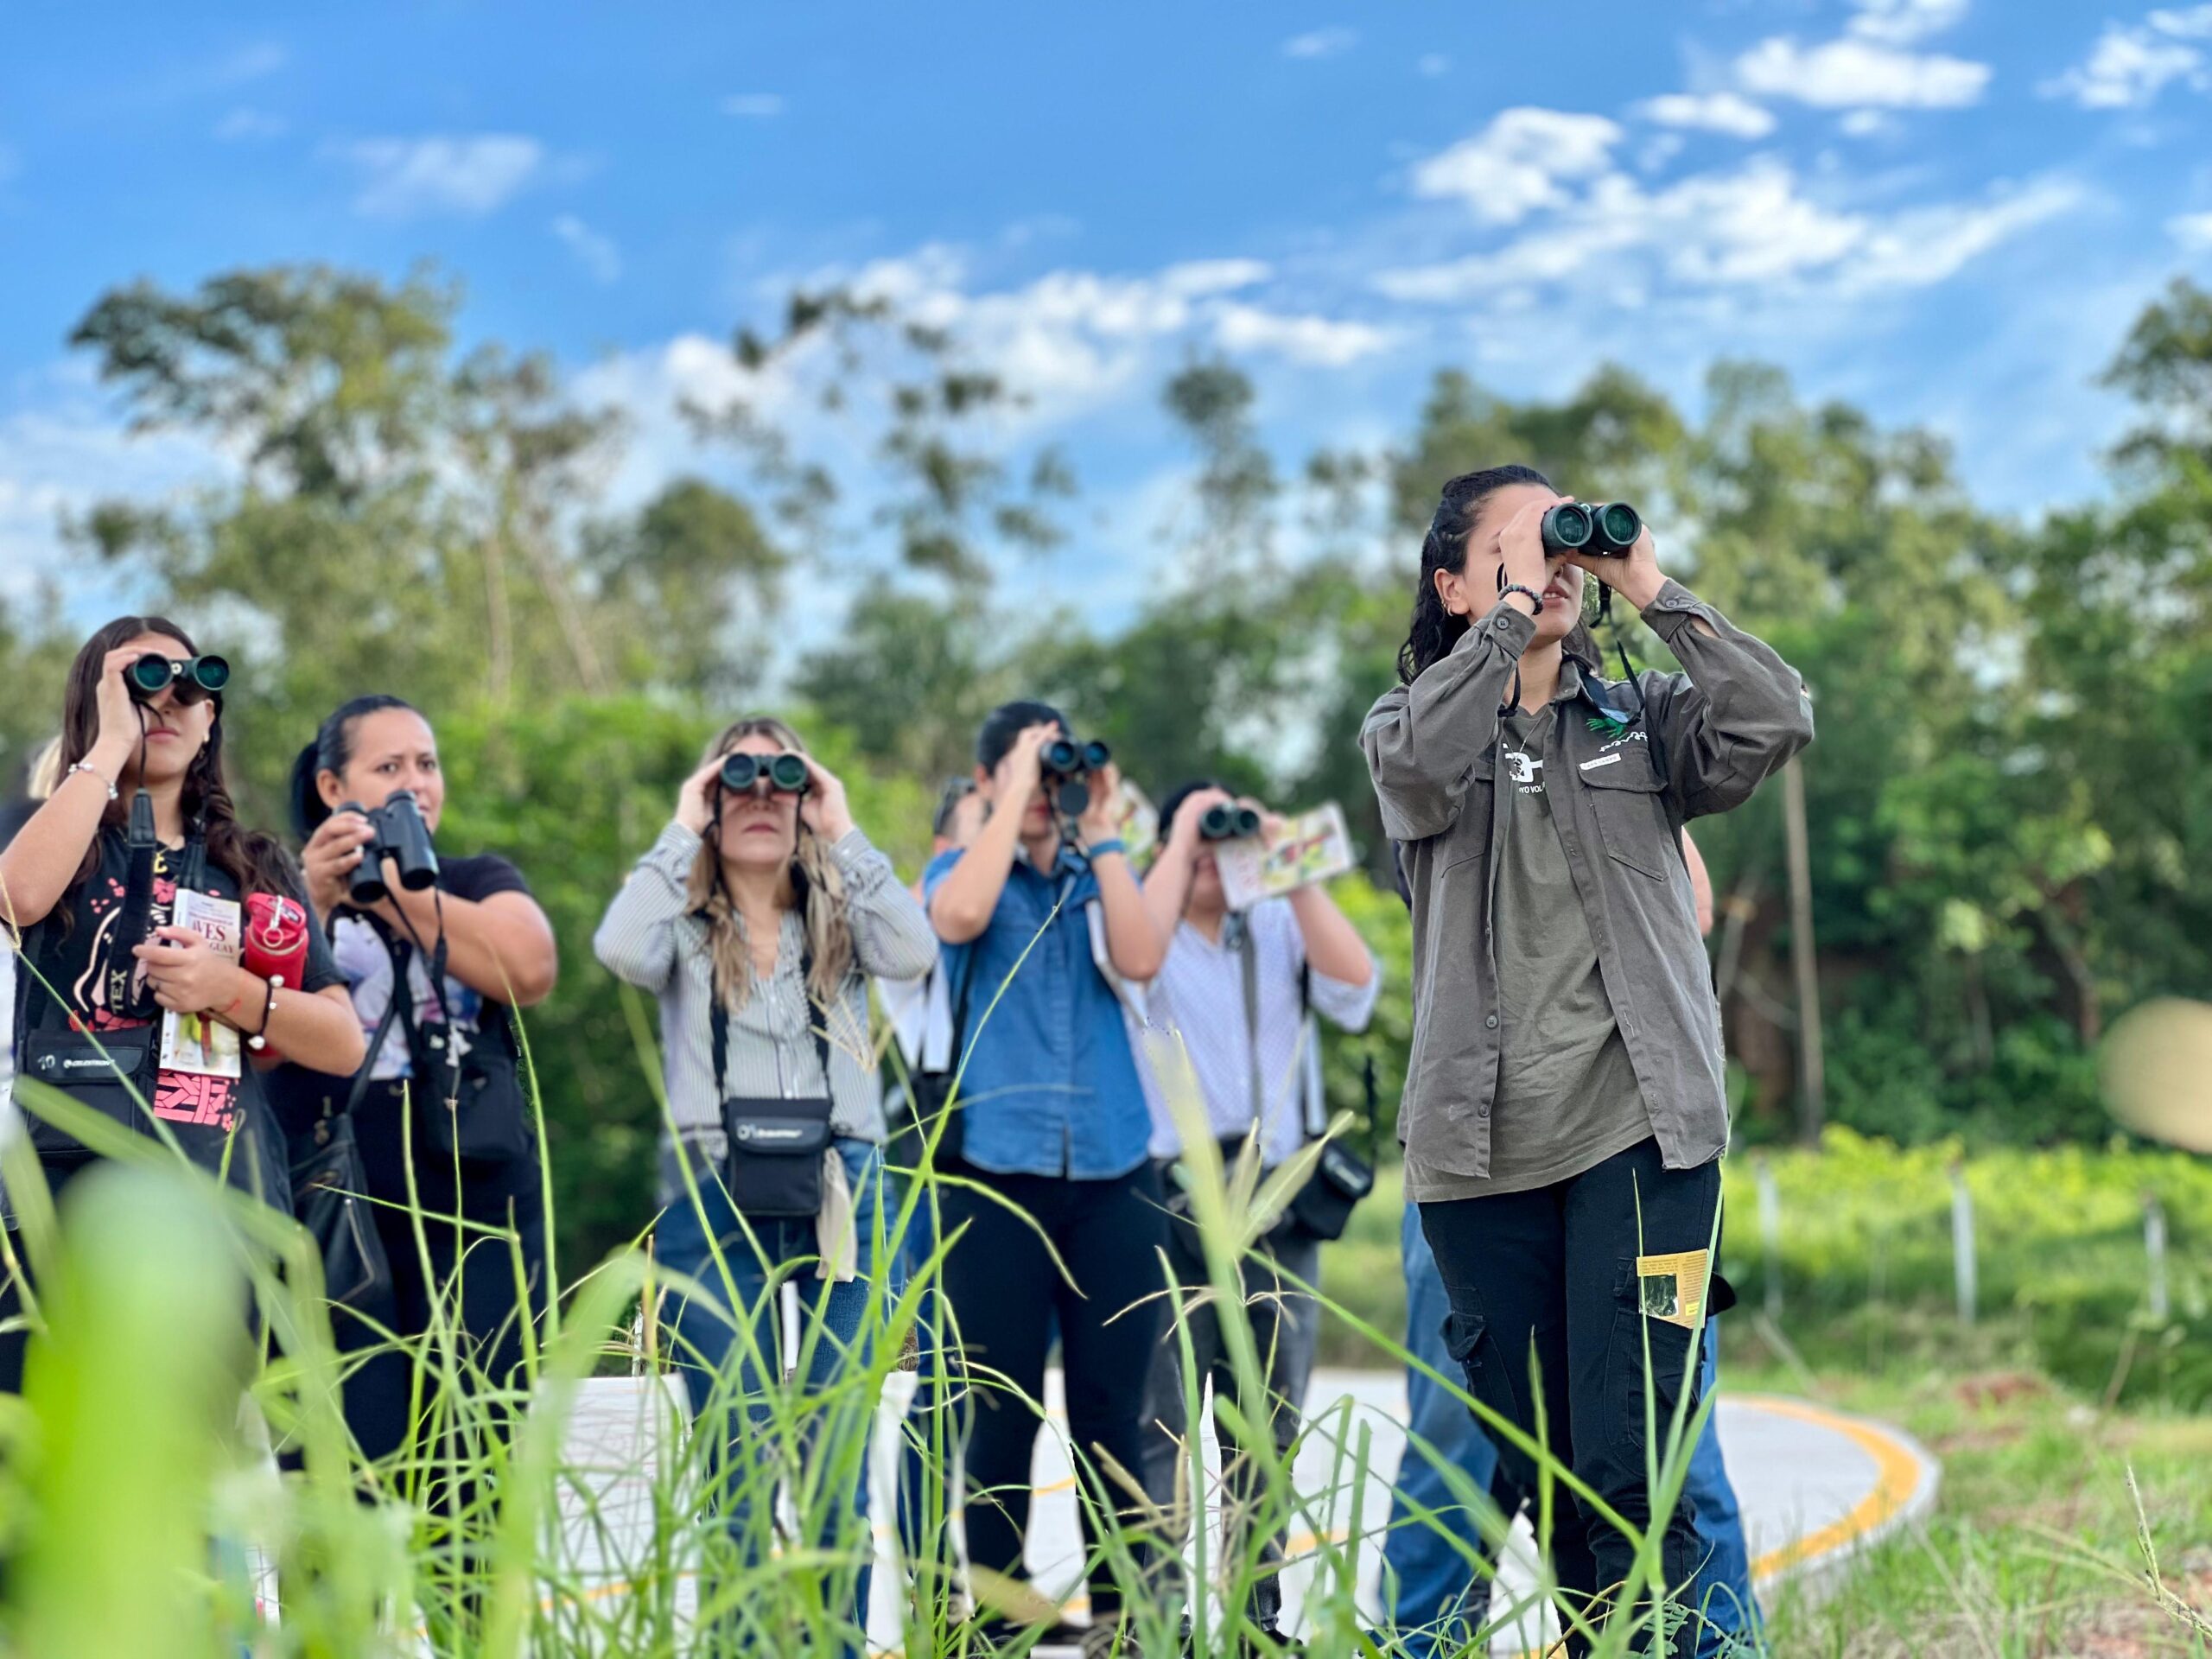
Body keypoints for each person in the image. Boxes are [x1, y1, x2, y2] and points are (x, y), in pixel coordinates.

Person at [1363, 467, 1811, 1654]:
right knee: (1549, 1469)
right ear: (1453, 585)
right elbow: (1415, 774)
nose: (1549, 561)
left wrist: (1647, 583)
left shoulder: (1643, 720)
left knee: (1641, 1449)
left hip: (1643, 1136)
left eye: (1563, 538)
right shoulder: (1410, 734)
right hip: (1482, 1159)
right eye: (1512, 546)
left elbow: (1773, 718)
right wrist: (1512, 620)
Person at [594, 715, 936, 1650]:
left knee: (832, 1455)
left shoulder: (844, 917)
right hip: (710, 1188)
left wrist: (845, 823)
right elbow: (620, 950)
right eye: (733, 781)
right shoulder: (680, 922)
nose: (757, 793)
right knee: (734, 1459)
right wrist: (680, 820)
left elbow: (915, 953)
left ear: (804, 798)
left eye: (777, 779)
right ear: (709, 799)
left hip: (844, 1185)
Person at [1382, 831, 1767, 1657]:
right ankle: (1427, 1642)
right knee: (1466, 1441)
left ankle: (1723, 1644)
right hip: (1482, 1178)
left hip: (1651, 1179)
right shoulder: (1456, 760)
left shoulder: (1620, 752)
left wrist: (1626, 785)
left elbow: (1694, 902)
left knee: (1675, 1432)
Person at [0, 620, 365, 1393]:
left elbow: (341, 1039)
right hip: (51, 1197)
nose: (166, 703)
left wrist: (229, 992)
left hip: (211, 1201)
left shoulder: (255, 866)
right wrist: (104, 748)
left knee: (188, 1472)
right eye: (142, 683)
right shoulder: (33, 833)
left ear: (210, 723)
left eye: (188, 689)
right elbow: (18, 897)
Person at [272, 695, 559, 1511]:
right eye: (388, 767)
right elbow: (251, 1020)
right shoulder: (280, 885)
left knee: (477, 1466)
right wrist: (318, 896)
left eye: (426, 765)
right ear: (333, 785)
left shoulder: (473, 878)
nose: (414, 784)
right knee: (335, 1469)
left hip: (473, 1188)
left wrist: (397, 892)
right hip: (336, 1188)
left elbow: (528, 969)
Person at [924, 701, 1167, 1654]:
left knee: (1113, 1403)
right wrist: (1013, 790)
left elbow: (1144, 959)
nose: (1044, 791)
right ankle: (999, 1612)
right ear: (987, 782)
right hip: (996, 1169)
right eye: (1026, 772)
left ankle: (1122, 1614)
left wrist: (1099, 829)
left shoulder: (1099, 874)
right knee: (1002, 1402)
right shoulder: (959, 866)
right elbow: (959, 914)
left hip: (1113, 1168)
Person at [1134, 779, 1380, 1646]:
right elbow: (1123, 966)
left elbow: (1358, 990)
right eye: (1196, 834)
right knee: (1157, 1424)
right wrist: (1179, 844)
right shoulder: (1144, 926)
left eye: (1223, 831)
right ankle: (1156, 1618)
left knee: (1266, 1430)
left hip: (1275, 1199)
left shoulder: (1277, 922)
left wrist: (1289, 868)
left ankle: (1252, 1620)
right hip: (1167, 1197)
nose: (1213, 846)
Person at [879, 775, 987, 1605]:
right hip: (948, 1160)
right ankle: (929, 1580)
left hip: (1063, 1167)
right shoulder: (925, 923)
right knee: (949, 1380)